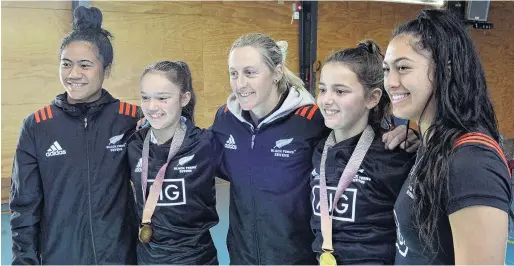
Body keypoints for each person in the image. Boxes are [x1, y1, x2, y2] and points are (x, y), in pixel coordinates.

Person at [211, 33, 419, 264]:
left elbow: (355, 128)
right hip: (243, 257)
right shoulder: (225, 120)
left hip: (299, 258)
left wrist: (402, 135)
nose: (240, 83)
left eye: (250, 72)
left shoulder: (311, 121)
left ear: (277, 72)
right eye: (233, 73)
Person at [9, 6, 138, 265]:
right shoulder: (37, 125)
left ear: (107, 69)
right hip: (60, 258)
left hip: (119, 257)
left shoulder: (130, 119)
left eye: (85, 65)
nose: (73, 74)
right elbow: (24, 206)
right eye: (66, 64)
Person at [383, 9, 513, 265]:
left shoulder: (471, 165)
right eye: (387, 69)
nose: (391, 81)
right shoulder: (434, 145)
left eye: (403, 68)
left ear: (446, 71)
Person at [310, 40, 415, 265]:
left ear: (372, 98)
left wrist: (421, 144)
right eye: (322, 89)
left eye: (340, 91)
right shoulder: (318, 150)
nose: (327, 99)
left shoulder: (393, 155)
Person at [127, 61, 221, 265]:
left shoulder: (205, 144)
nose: (152, 106)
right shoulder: (134, 145)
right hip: (148, 259)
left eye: (162, 98)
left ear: (184, 98)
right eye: (145, 97)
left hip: (196, 259)